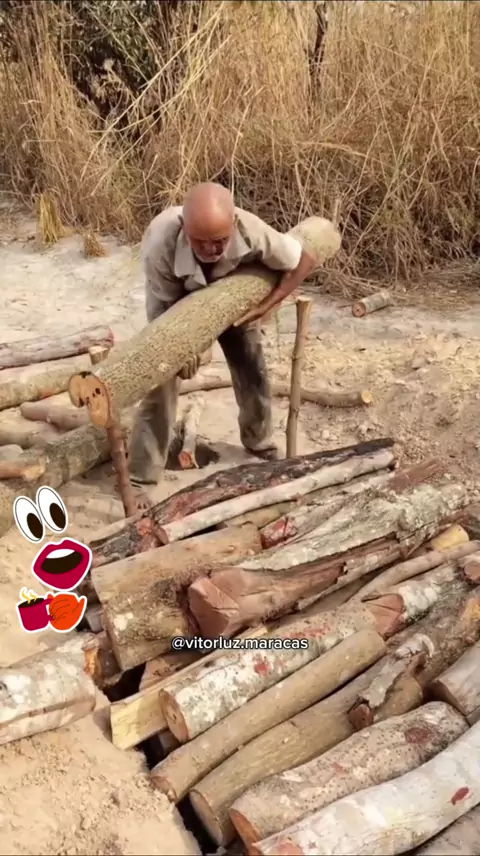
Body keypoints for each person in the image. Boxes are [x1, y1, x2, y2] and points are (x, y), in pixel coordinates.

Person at [129, 182, 315, 506]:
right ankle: (140, 477)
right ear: (185, 230)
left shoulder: (253, 231)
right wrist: (185, 348)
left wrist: (269, 303)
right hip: (173, 304)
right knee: (161, 380)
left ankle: (259, 443)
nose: (211, 249)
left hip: (232, 295)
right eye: (200, 242)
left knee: (252, 366)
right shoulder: (159, 243)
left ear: (233, 224)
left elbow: (304, 258)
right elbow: (169, 313)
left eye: (220, 241)